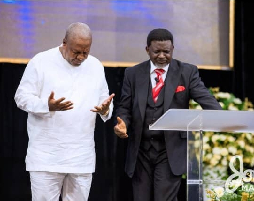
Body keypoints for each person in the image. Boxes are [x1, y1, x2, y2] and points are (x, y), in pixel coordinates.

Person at [114, 28, 222, 201]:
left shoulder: (186, 72)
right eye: (157, 51)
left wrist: (222, 118)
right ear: (147, 49)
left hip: (169, 151)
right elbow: (124, 108)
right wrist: (122, 124)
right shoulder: (132, 74)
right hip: (140, 151)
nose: (162, 56)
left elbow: (206, 100)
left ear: (173, 49)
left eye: (167, 51)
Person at [14, 22, 115, 201]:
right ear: (64, 43)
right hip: (46, 156)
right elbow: (21, 97)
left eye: (86, 52)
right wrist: (47, 105)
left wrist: (105, 110)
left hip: (81, 157)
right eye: (76, 51)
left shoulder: (96, 66)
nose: (81, 57)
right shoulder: (41, 61)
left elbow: (104, 99)